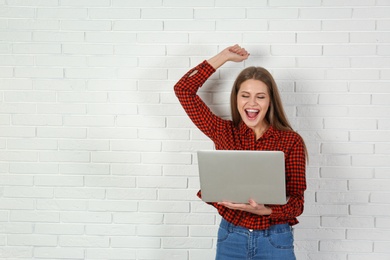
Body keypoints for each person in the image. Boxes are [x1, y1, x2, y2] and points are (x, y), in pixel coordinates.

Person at [174, 44, 307, 260]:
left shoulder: (290, 141)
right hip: (231, 237)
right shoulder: (223, 132)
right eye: (245, 95)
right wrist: (223, 57)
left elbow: (297, 202)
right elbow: (183, 90)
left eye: (260, 97)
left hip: (275, 238)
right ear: (236, 99)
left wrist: (267, 211)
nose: (252, 103)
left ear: (270, 101)